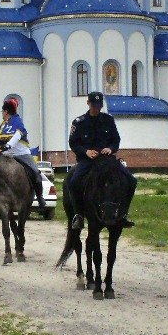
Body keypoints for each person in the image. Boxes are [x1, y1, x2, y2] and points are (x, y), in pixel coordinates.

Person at [66, 92, 137, 232]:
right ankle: (79, 215)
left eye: (99, 106)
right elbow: (73, 143)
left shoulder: (108, 120)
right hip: (88, 161)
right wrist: (86, 152)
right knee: (73, 182)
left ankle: (123, 214)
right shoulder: (79, 122)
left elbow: (116, 140)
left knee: (131, 180)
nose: (96, 108)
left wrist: (110, 149)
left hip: (107, 160)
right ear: (88, 103)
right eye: (93, 105)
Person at [0, 98, 47, 212]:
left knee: (35, 172)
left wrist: (8, 145)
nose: (2, 114)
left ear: (6, 111)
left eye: (2, 112)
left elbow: (18, 134)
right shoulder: (3, 125)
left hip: (21, 154)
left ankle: (39, 196)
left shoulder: (17, 121)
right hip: (6, 155)